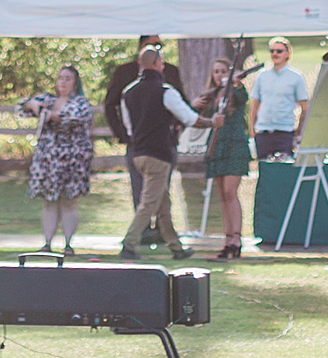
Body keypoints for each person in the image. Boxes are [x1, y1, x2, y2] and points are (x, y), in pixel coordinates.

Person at [118, 42, 200, 258]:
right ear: (157, 64)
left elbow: (129, 127)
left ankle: (175, 247)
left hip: (139, 153)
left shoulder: (128, 92)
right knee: (149, 203)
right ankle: (129, 244)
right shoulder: (165, 91)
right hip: (159, 153)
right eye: (161, 62)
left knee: (162, 202)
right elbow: (189, 118)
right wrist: (211, 122)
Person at [104, 35, 187, 218]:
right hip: (138, 143)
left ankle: (164, 233)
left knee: (162, 191)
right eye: (153, 45)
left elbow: (182, 105)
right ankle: (140, 234)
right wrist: (124, 135)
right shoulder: (126, 72)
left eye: (159, 46)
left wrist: (176, 131)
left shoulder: (169, 71)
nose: (157, 49)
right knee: (141, 191)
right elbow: (111, 104)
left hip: (164, 142)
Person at [21, 65, 95, 251]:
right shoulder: (47, 99)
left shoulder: (80, 103)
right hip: (48, 160)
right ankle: (47, 243)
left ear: (75, 82)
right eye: (60, 78)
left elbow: (70, 118)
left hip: (71, 161)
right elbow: (23, 105)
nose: (63, 82)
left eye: (68, 78)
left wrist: (48, 115)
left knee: (69, 201)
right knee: (49, 201)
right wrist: (34, 105)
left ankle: (68, 244)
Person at [197, 55, 253, 259]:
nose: (220, 75)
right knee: (222, 195)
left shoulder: (237, 92)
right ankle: (227, 238)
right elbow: (197, 113)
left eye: (223, 71)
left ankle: (237, 238)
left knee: (231, 192)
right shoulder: (211, 96)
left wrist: (235, 83)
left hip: (234, 144)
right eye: (216, 72)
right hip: (217, 145)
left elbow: (242, 98)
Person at [250, 38, 310, 160]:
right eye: (272, 51)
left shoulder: (296, 77)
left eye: (279, 51)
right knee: (264, 169)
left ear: (287, 54)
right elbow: (255, 104)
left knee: (283, 170)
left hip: (285, 132)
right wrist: (252, 129)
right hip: (263, 132)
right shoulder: (262, 76)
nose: (275, 54)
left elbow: (304, 106)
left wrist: (299, 131)